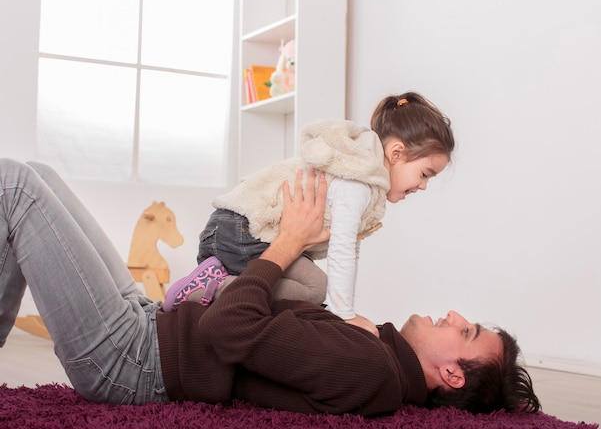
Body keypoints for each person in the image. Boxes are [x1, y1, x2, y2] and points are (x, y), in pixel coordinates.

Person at [0, 159, 540, 415]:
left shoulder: (368, 367)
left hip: (133, 361)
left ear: (450, 374)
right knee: (39, 174)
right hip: (148, 326)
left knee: (14, 186)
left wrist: (287, 242)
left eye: (465, 331)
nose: (450, 313)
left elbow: (226, 328)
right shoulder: (372, 348)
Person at [178, 91, 455, 337]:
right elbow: (342, 249)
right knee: (313, 289)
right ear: (396, 153)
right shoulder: (357, 181)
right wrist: (344, 314)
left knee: (309, 291)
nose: (423, 186)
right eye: (424, 174)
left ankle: (218, 283)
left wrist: (343, 310)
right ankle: (213, 287)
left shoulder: (363, 174)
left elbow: (350, 247)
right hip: (241, 228)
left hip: (237, 228)